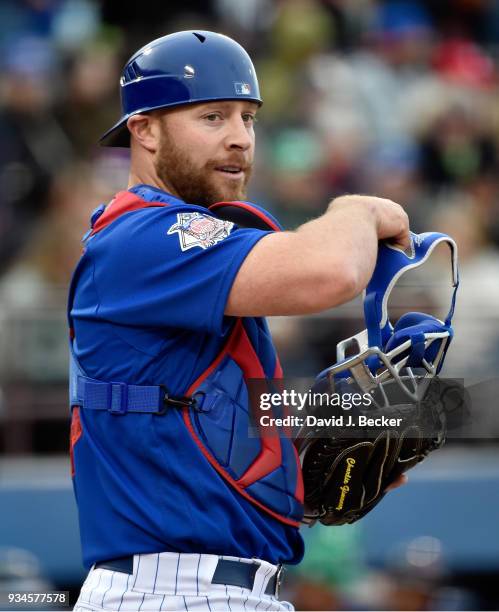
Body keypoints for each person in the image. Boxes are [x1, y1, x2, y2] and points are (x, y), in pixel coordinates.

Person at [68, 30, 410, 612]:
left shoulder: (183, 255)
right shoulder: (142, 237)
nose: (239, 138)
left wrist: (394, 414)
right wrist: (360, 207)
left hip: (218, 588)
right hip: (169, 591)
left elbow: (219, 405)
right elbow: (329, 273)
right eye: (212, 116)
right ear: (144, 128)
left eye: (248, 118)